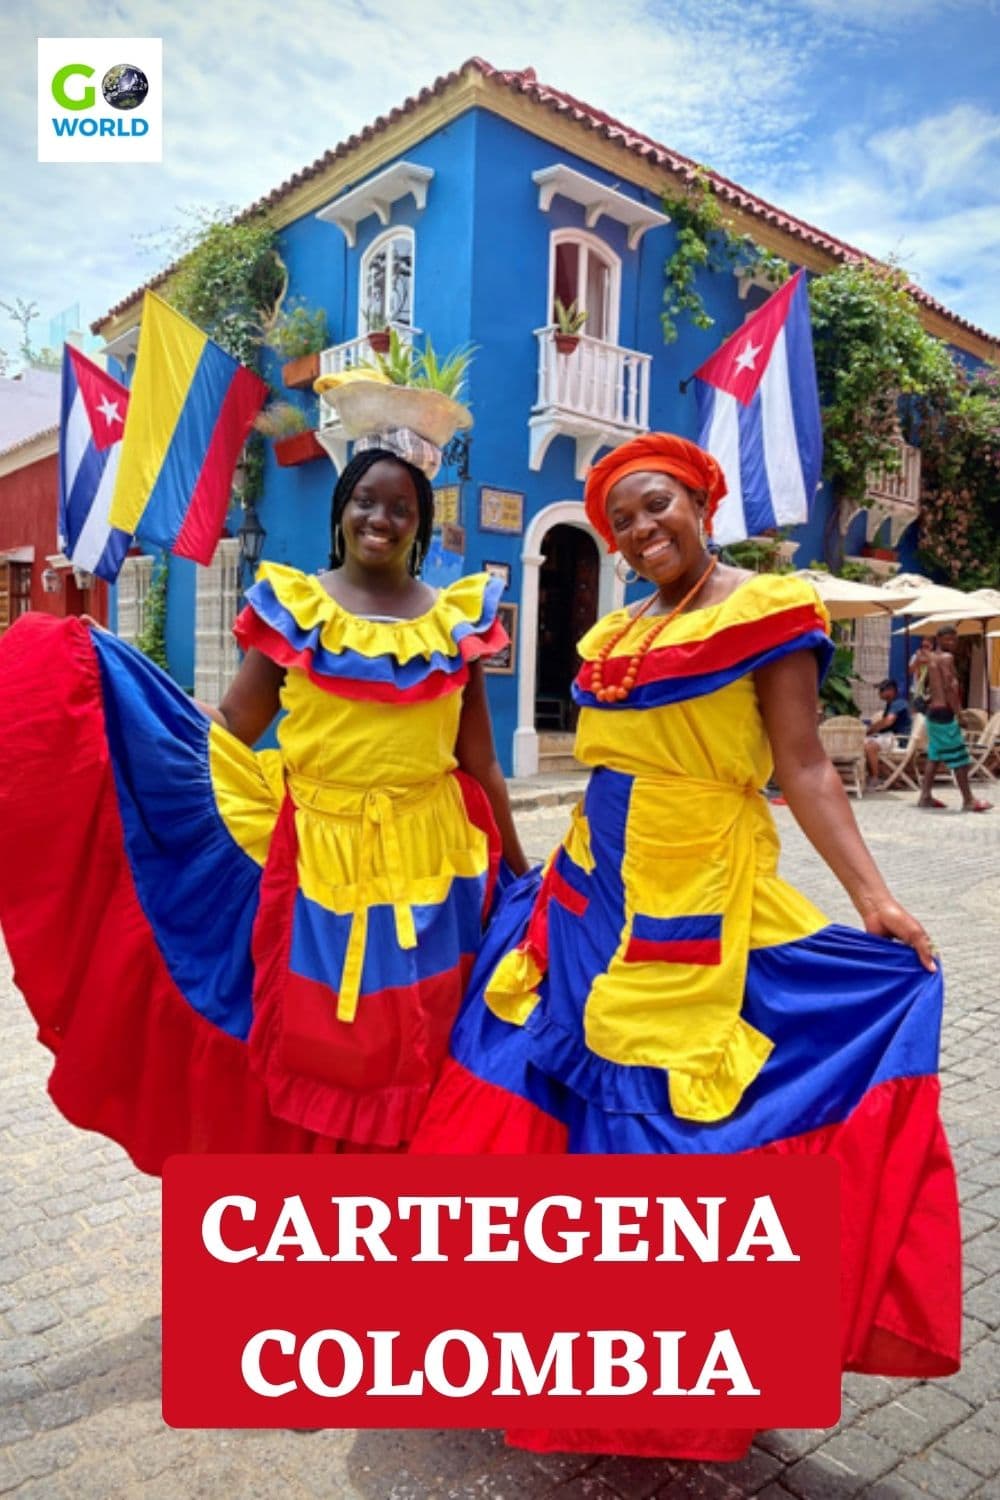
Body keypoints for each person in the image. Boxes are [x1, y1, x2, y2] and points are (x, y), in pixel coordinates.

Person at [412, 433, 960, 1462]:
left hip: (695, 888)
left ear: (701, 499)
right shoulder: (618, 631)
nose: (638, 529)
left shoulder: (765, 609)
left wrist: (873, 896)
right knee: (544, 1093)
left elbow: (803, 766)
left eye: (654, 504)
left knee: (668, 1113)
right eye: (620, 519)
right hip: (589, 883)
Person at [0, 436, 527, 1174]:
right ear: (342, 512)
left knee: (424, 1032)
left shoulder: (456, 627)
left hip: (438, 866)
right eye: (366, 501)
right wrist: (126, 683)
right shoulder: (295, 612)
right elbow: (228, 729)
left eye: (401, 508)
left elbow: (484, 767)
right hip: (320, 862)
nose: (382, 517)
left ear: (421, 525)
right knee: (332, 1040)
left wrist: (524, 882)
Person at [917, 626, 991, 812]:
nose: (952, 643)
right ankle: (968, 800)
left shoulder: (932, 657)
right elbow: (950, 688)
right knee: (960, 758)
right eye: (948, 639)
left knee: (934, 756)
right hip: (944, 713)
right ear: (938, 639)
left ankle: (925, 796)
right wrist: (960, 714)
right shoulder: (947, 658)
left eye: (954, 640)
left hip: (932, 714)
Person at [864, 676, 911, 788]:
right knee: (862, 743)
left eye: (881, 690)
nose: (879, 693)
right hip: (890, 737)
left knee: (870, 747)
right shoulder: (891, 704)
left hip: (899, 739)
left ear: (891, 690)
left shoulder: (899, 703)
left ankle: (875, 778)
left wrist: (872, 729)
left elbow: (888, 721)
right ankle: (890, 779)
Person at [909, 636, 933, 712]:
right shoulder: (915, 657)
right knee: (914, 717)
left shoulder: (934, 657)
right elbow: (910, 671)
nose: (924, 648)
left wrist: (925, 659)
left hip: (929, 694)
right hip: (915, 692)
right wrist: (917, 660)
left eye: (927, 646)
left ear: (932, 646)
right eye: (922, 646)